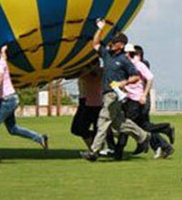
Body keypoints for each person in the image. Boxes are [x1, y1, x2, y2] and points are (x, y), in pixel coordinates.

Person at [80, 19, 150, 161]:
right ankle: (143, 136)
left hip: (114, 95)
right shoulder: (107, 55)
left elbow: (135, 77)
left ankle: (94, 151)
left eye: (114, 42)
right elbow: (95, 44)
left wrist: (123, 82)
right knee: (120, 124)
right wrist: (100, 28)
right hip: (107, 94)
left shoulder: (124, 60)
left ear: (121, 45)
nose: (111, 44)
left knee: (103, 120)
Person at [0, 42, 48, 164]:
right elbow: (3, 57)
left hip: (8, 100)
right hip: (7, 100)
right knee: (13, 129)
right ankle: (40, 138)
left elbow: (0, 78)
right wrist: (4, 50)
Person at [116, 43, 174, 159]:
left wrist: (144, 95)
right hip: (130, 99)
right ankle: (165, 130)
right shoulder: (126, 65)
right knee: (143, 125)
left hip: (136, 100)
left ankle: (119, 150)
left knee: (126, 125)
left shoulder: (139, 65)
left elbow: (150, 78)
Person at [71, 60, 103, 149]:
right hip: (84, 102)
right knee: (76, 129)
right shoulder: (83, 72)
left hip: (96, 103)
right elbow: (72, 76)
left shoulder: (102, 72)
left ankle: (94, 149)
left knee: (94, 128)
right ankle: (95, 145)